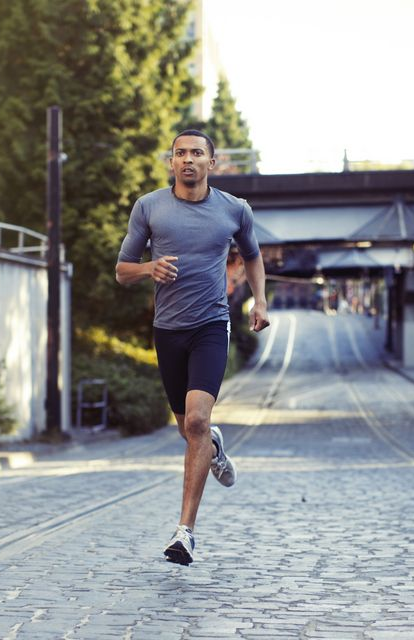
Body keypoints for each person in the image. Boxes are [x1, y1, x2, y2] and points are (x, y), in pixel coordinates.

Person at [116, 129, 270, 566]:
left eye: (196, 153)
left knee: (198, 420)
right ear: (171, 162)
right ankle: (215, 448)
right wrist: (149, 267)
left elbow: (253, 255)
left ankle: (185, 532)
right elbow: (122, 271)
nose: (187, 160)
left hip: (210, 325)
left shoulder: (234, 210)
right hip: (168, 330)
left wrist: (259, 301)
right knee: (189, 431)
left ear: (211, 162)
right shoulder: (149, 208)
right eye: (180, 153)